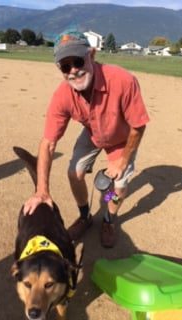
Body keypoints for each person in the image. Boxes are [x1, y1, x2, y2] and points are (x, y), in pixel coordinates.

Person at [24, 30, 150, 248]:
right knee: (74, 173)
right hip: (93, 133)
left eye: (78, 61)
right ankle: (85, 216)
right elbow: (48, 143)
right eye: (65, 66)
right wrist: (42, 191)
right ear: (60, 70)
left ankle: (109, 219)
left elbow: (138, 125)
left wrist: (122, 160)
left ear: (91, 55)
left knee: (118, 188)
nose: (74, 70)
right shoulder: (62, 95)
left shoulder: (123, 81)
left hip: (122, 137)